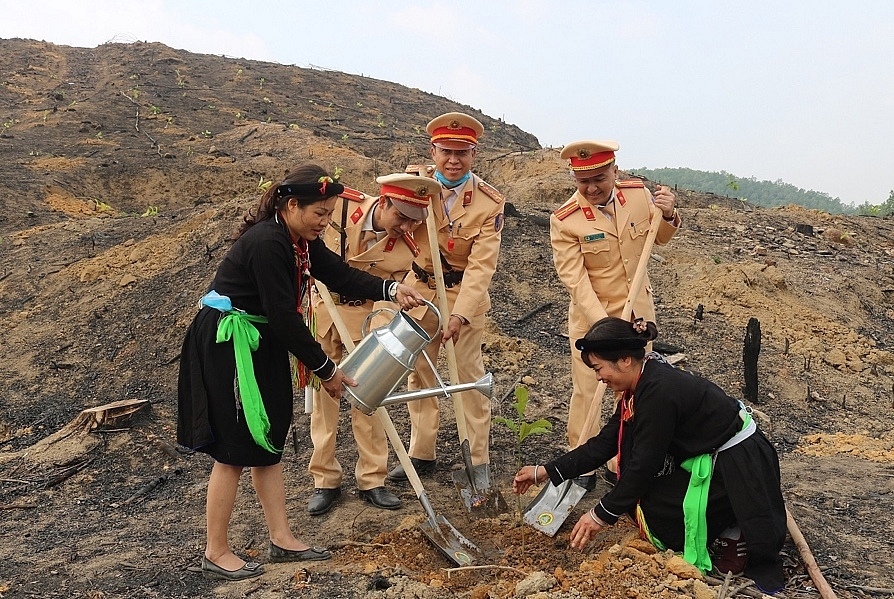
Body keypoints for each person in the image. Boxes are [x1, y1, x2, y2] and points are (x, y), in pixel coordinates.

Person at [177, 164, 425, 581]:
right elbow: (283, 316)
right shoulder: (268, 243)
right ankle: (216, 550)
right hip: (231, 344)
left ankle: (282, 536)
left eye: (330, 214)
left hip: (264, 339)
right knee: (234, 449)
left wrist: (390, 289)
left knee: (269, 438)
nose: (326, 222)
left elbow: (336, 271)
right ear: (292, 205)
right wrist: (327, 370)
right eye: (320, 214)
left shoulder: (298, 239)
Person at [512, 317, 787, 594]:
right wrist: (546, 471)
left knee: (659, 516)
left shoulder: (658, 392)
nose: (598, 377)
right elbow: (606, 442)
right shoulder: (640, 385)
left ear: (624, 360)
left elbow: (644, 464)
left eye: (599, 368)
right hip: (706, 456)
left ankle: (734, 526)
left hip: (738, 465)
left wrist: (599, 515)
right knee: (646, 505)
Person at [307, 173, 441, 515]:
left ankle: (372, 479)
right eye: (401, 217)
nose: (407, 227)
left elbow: (389, 298)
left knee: (369, 398)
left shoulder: (404, 251)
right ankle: (325, 480)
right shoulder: (340, 209)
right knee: (325, 400)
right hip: (324, 310)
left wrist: (379, 332)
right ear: (383, 203)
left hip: (365, 318)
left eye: (414, 221)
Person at [550, 140, 681, 483]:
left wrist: (668, 214)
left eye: (599, 179)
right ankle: (583, 465)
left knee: (635, 391)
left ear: (615, 172)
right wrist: (606, 327)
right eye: (583, 182)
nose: (591, 188)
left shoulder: (638, 195)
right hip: (594, 320)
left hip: (639, 318)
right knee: (589, 390)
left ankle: (620, 463)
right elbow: (574, 280)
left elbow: (661, 237)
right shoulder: (565, 220)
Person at [386, 112, 505, 481]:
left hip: (462, 293)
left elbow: (482, 266)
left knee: (468, 377)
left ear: (473, 154)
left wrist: (461, 314)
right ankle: (421, 453)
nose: (453, 161)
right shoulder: (415, 185)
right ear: (432, 151)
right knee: (419, 374)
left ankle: (477, 460)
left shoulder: (488, 202)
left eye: (462, 153)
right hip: (419, 291)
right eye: (446, 152)